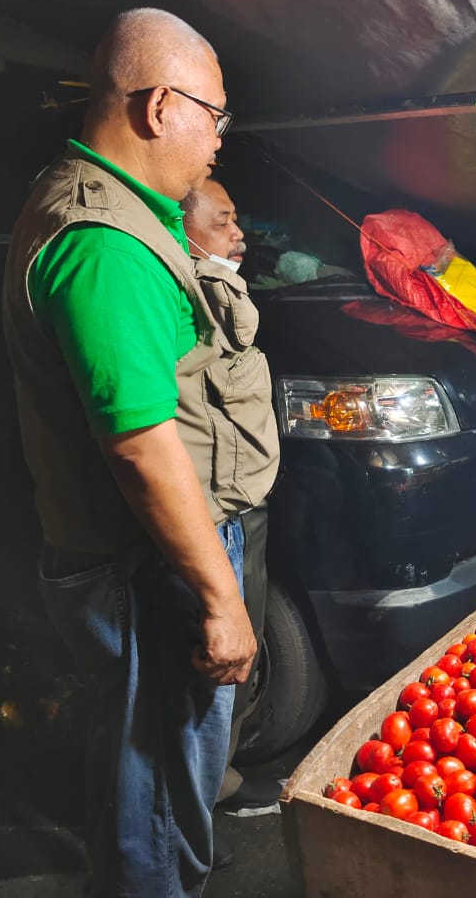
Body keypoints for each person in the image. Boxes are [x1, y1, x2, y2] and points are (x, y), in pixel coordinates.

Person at [1, 9, 279, 896]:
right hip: (145, 563)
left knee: (162, 773)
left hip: (152, 555)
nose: (219, 141)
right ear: (161, 106)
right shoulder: (106, 243)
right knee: (158, 789)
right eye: (215, 115)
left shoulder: (129, 217)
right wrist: (218, 596)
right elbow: (140, 446)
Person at [181, 177, 281, 824]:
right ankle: (189, 814)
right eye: (223, 220)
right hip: (209, 511)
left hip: (241, 503)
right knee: (206, 673)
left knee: (243, 653)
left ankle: (218, 779)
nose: (238, 233)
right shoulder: (183, 288)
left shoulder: (219, 281)